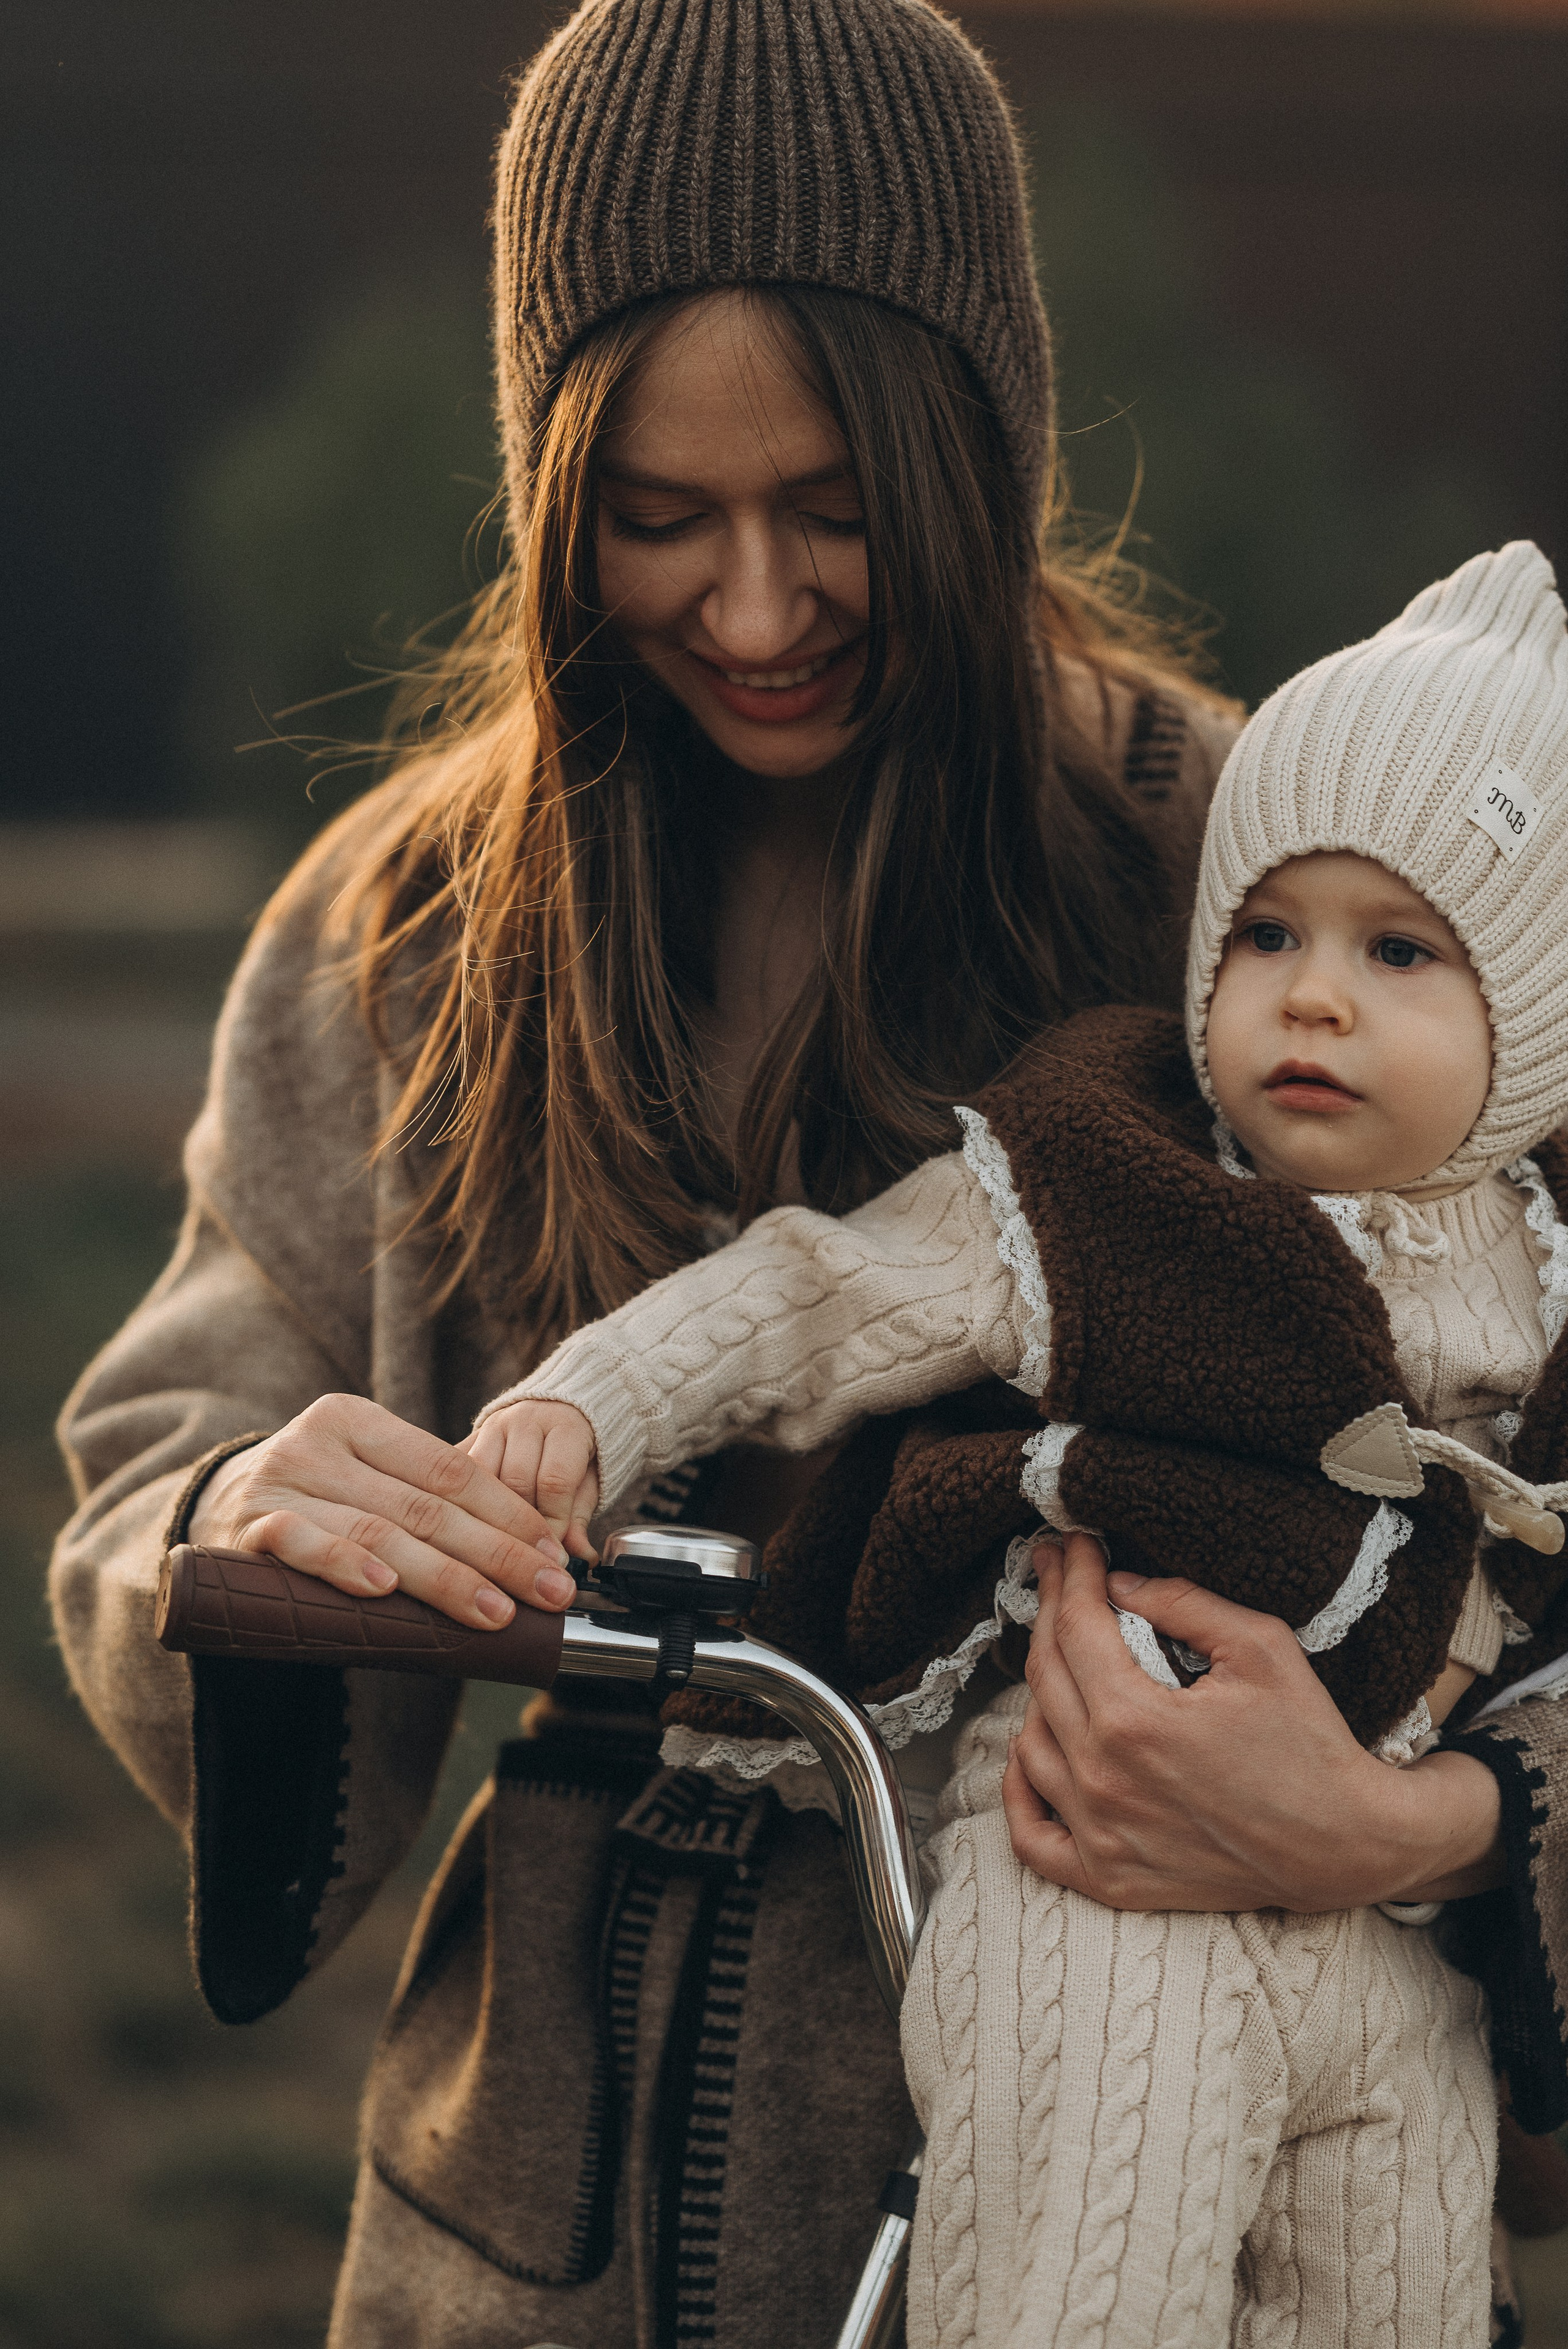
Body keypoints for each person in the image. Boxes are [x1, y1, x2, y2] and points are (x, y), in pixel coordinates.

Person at [45, 3, 1557, 2342]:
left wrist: (1413, 1829)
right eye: (658, 518)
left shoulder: (1265, 898)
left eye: (838, 510)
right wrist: (252, 1510)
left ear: (992, 453)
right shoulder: (417, 923)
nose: (752, 613)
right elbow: (158, 1447)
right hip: (532, 2194)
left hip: (1149, 2136)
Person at [470, 540, 1568, 2342]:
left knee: (1408, 2298)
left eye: (1402, 951)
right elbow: (825, 1292)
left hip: (1392, 1945)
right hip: (1096, 1874)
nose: (1313, 995)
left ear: (1535, 1025)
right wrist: (587, 1403)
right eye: (1270, 933)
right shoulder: (1105, 1185)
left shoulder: (1553, 1280)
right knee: (1077, 2275)